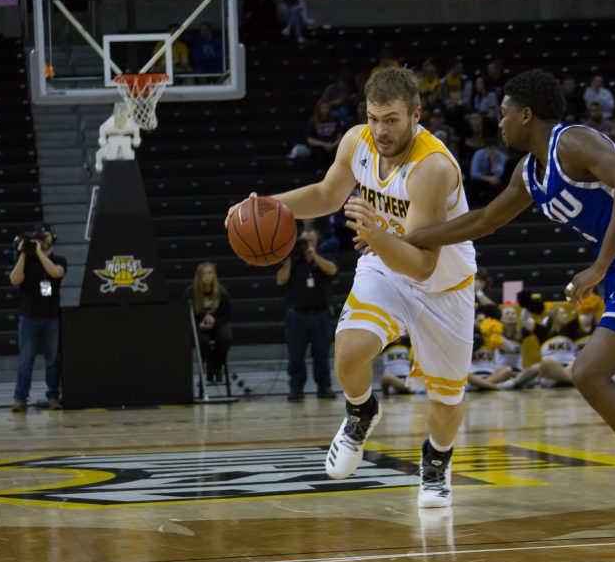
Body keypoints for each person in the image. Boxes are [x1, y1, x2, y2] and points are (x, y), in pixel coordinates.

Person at [405, 69, 615, 527]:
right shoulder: (529, 172)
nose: (497, 122)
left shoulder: (571, 142)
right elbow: (483, 221)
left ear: (526, 114)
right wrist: (414, 237)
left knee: (588, 371)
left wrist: (599, 266)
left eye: (502, 114)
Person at [227, 67, 476, 508]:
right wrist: (266, 205)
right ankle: (361, 412)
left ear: (416, 115)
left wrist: (377, 234)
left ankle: (436, 462)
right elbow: (327, 194)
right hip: (385, 266)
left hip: (441, 283)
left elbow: (422, 265)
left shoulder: (430, 169)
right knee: (348, 350)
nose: (380, 130)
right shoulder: (356, 142)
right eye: (374, 117)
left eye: (392, 120)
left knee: (446, 398)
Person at [9, 223, 67, 412]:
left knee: (52, 360)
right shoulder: (27, 261)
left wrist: (40, 253)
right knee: (26, 360)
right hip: (28, 317)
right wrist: (24, 254)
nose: (43, 239)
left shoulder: (59, 259)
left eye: (46, 235)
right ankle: (20, 398)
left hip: (51, 317)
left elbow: (56, 272)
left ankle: (52, 397)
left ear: (54, 237)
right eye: (39, 236)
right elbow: (15, 279)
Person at [276, 228, 339, 401]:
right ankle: (296, 388)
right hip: (297, 315)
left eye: (310, 241)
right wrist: (288, 260)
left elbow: (332, 270)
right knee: (295, 355)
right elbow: (280, 280)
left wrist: (315, 257)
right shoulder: (293, 261)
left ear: (317, 242)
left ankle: (324, 386)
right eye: (304, 242)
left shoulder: (325, 257)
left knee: (322, 354)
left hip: (321, 315)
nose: (306, 245)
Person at [183, 262, 233, 383]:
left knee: (226, 337)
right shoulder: (190, 292)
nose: (207, 276)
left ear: (214, 275)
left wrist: (215, 321)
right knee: (202, 341)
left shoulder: (221, 292)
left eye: (210, 273)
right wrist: (198, 324)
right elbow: (184, 315)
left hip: (217, 324)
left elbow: (227, 315)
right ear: (198, 276)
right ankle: (212, 368)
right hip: (199, 327)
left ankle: (216, 367)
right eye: (203, 273)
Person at [306, 100, 345, 172]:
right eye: (322, 108)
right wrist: (324, 144)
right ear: (318, 109)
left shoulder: (335, 120)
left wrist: (333, 144)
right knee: (319, 151)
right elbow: (310, 140)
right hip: (320, 146)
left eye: (326, 107)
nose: (325, 110)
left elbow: (340, 136)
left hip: (333, 145)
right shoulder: (313, 121)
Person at [469, 139, 506, 205]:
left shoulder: (501, 156)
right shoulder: (479, 154)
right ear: (485, 149)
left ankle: (497, 204)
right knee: (474, 183)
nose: (492, 151)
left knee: (500, 181)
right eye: (489, 148)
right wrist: (489, 178)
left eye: (494, 148)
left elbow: (500, 172)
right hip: (481, 178)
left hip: (494, 178)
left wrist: (493, 160)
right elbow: (473, 173)